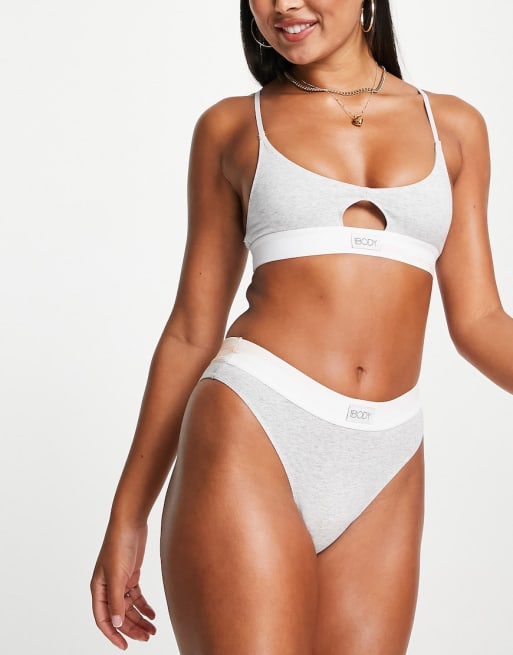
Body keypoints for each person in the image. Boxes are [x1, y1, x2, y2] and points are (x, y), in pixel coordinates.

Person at [91, 1, 513, 653]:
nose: (283, 5)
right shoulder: (234, 126)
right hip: (253, 428)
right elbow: (191, 331)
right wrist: (128, 516)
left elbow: (481, 319)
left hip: (387, 456)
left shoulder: (453, 126)